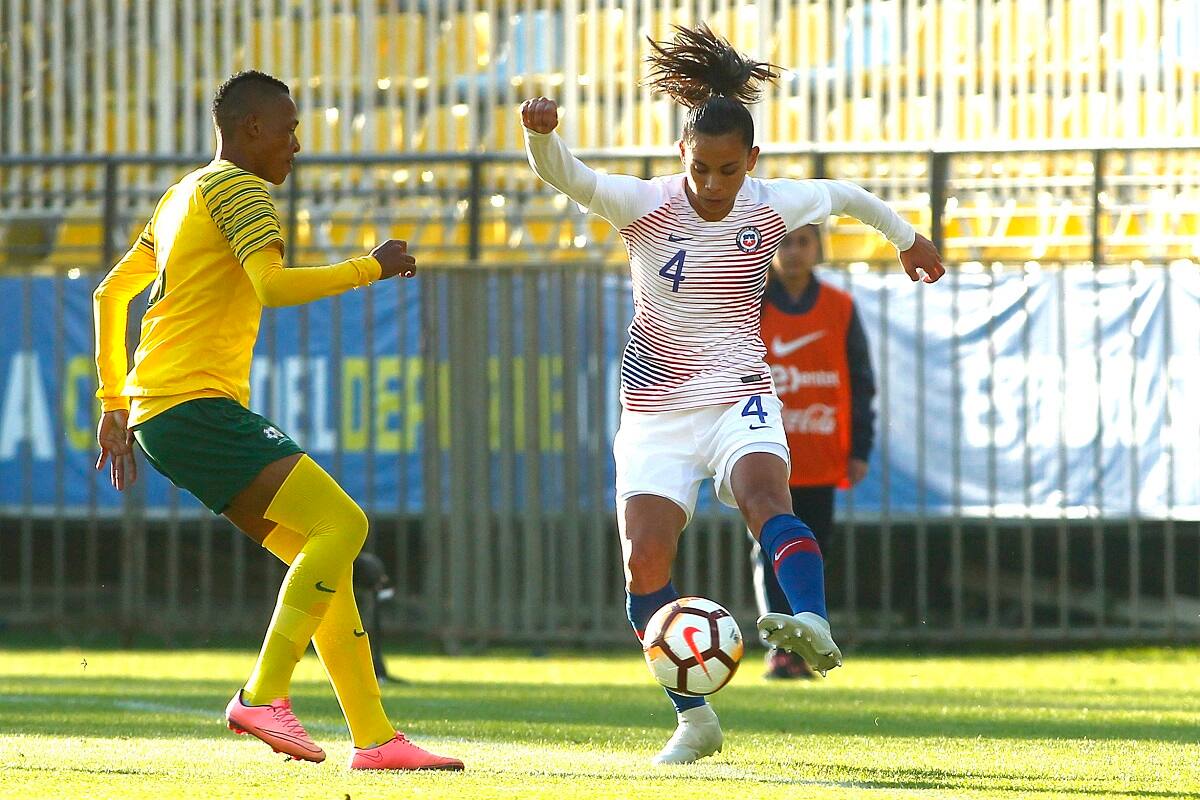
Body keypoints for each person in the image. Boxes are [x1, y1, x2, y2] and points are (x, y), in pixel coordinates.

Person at [521, 24, 943, 765]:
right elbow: (572, 179)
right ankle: (694, 717)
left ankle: (811, 621)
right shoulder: (645, 204)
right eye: (702, 170)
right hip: (654, 409)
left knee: (765, 501)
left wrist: (908, 237)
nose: (714, 187)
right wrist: (543, 139)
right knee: (643, 563)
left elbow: (847, 195)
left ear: (751, 162)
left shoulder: (770, 205)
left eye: (728, 171)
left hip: (739, 391)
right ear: (681, 155)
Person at [92, 70, 462, 772]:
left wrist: (115, 400)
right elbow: (272, 286)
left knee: (319, 560)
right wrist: (369, 268)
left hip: (163, 410)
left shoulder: (182, 194)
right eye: (289, 128)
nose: (297, 142)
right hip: (191, 404)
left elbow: (113, 294)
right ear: (252, 128)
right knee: (344, 525)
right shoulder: (240, 188)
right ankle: (261, 694)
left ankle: (376, 739)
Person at [753, 223, 875, 680]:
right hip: (765, 445)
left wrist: (859, 446)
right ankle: (780, 650)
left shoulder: (840, 308)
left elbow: (860, 382)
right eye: (785, 241)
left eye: (803, 241)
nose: (794, 251)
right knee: (769, 547)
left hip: (821, 447)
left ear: (818, 248)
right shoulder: (752, 304)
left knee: (815, 544)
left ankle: (808, 640)